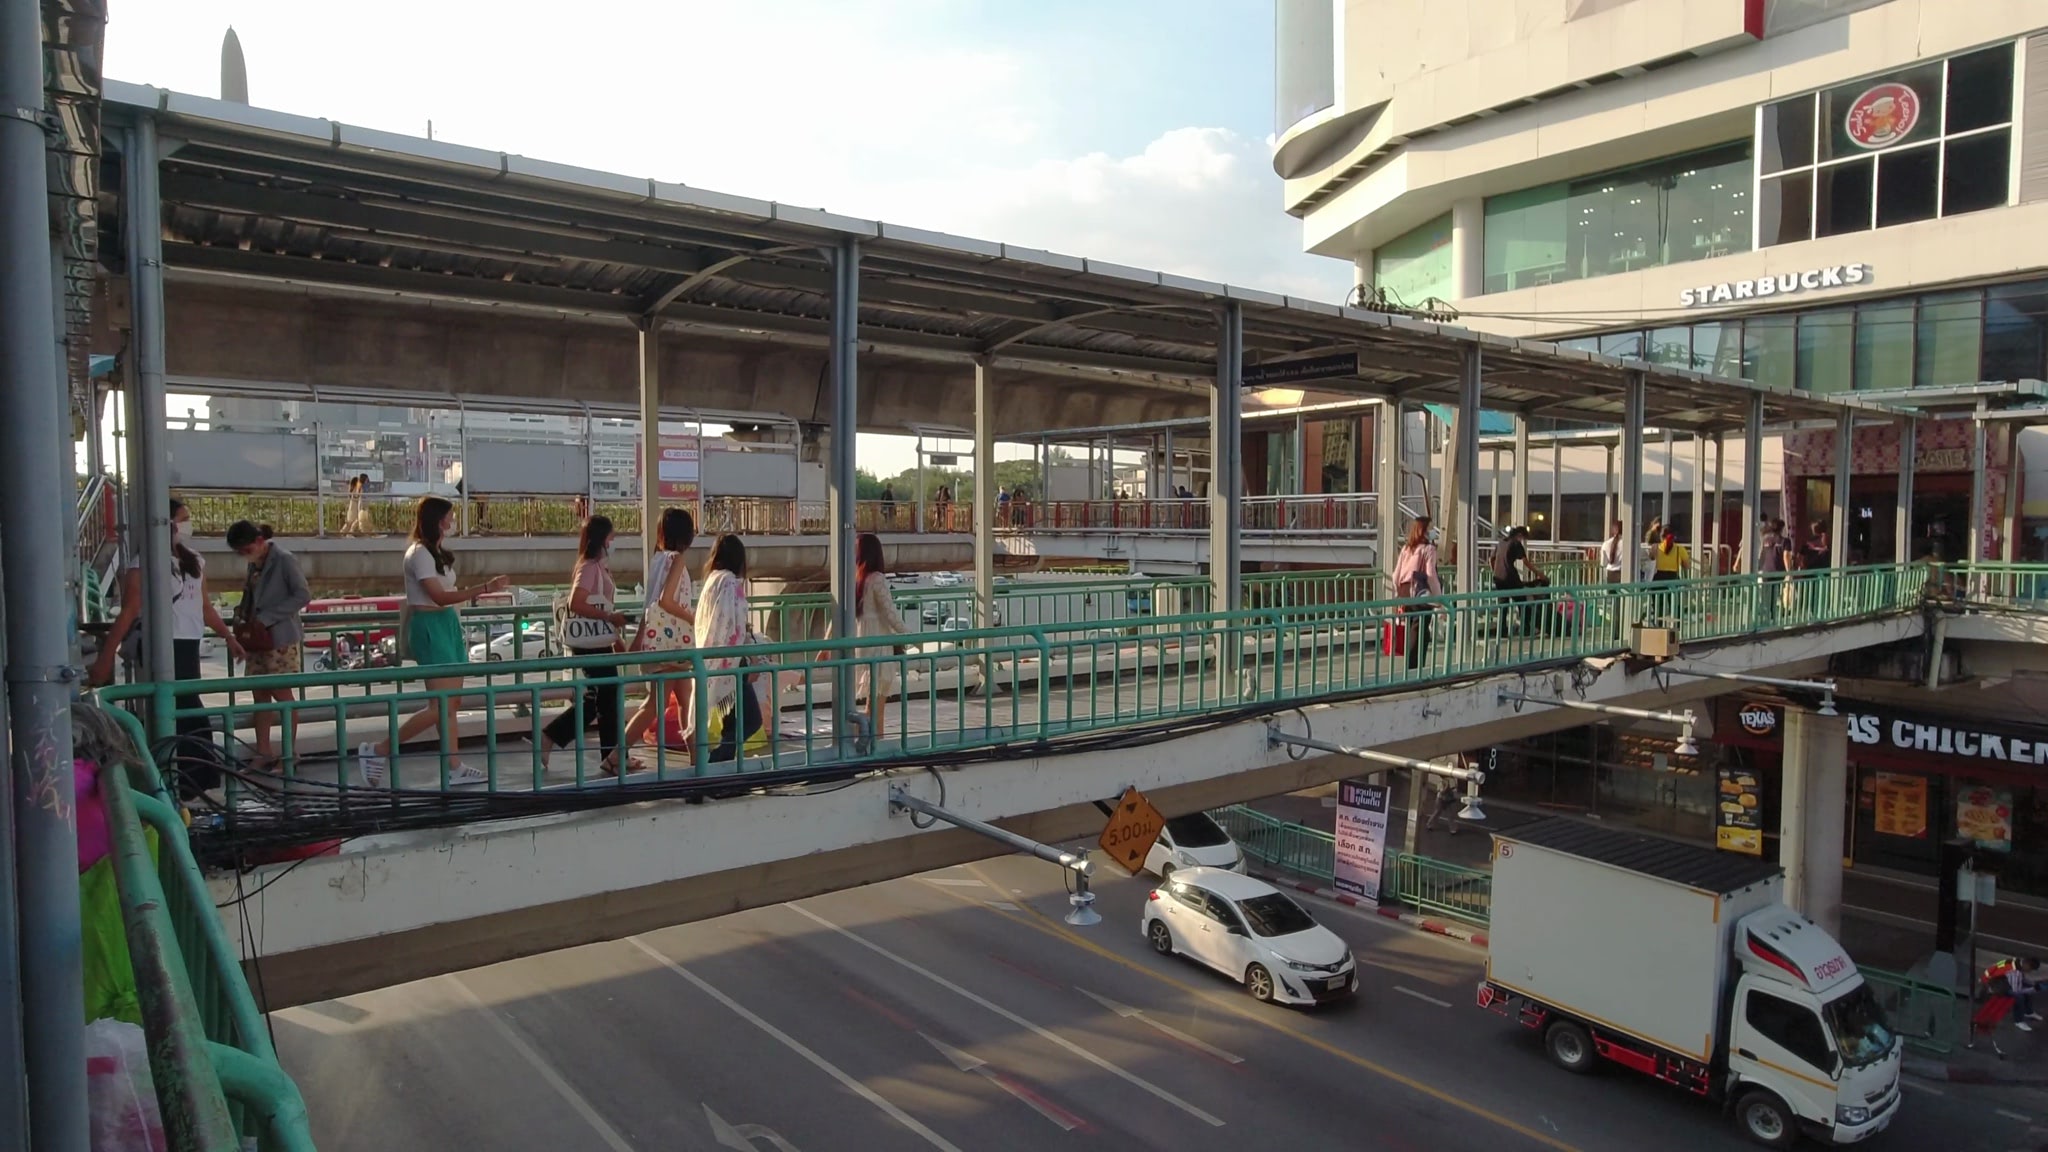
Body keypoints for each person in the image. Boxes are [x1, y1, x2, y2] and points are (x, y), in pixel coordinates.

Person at [90, 499, 245, 795]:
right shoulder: (143, 563)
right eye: (183, 519)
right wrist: (106, 656)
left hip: (187, 642)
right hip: (163, 643)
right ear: (167, 524)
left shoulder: (195, 561)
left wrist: (228, 636)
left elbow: (204, 608)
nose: (187, 525)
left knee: (188, 707)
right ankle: (184, 781)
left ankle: (195, 780)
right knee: (182, 708)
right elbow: (130, 611)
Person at [358, 497, 507, 786]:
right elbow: (437, 596)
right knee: (440, 705)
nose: (452, 521)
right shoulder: (419, 554)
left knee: (452, 702)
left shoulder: (435, 552)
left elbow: (444, 596)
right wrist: (485, 588)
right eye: (450, 516)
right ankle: (378, 750)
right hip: (429, 625)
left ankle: (453, 765)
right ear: (439, 520)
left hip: (447, 623)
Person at [539, 515, 635, 776]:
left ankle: (611, 754)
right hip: (591, 643)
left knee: (600, 699)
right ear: (603, 539)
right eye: (611, 536)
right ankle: (612, 757)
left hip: (596, 639)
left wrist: (614, 635)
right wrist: (609, 620)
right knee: (607, 696)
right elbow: (577, 603)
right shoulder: (590, 568)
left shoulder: (598, 566)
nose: (614, 541)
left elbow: (601, 604)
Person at [225, 519, 312, 771]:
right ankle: (263, 752)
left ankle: (288, 754)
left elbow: (302, 594)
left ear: (259, 541)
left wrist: (267, 617)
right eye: (240, 553)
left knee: (282, 694)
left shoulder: (284, 560)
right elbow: (249, 595)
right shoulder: (255, 564)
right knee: (259, 694)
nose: (244, 556)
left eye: (246, 550)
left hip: (280, 637)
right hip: (257, 638)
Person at [820, 533, 914, 740]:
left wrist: (826, 646)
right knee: (877, 710)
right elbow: (890, 615)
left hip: (862, 643)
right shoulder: (877, 579)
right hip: (879, 644)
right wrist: (911, 636)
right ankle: (874, 752)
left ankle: (855, 743)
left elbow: (838, 616)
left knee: (869, 708)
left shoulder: (855, 580)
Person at [621, 508, 698, 758]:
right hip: (673, 644)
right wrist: (694, 617)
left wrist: (639, 638)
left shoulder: (658, 560)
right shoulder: (677, 560)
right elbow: (666, 601)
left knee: (686, 701)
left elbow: (651, 605)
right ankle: (616, 755)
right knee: (658, 704)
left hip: (662, 643)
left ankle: (698, 759)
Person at [696, 534, 771, 762]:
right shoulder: (730, 582)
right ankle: (718, 764)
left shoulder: (712, 580)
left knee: (731, 722)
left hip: (713, 663)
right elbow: (736, 626)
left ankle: (721, 769)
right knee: (749, 721)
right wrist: (750, 660)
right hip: (732, 664)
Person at [1391, 516, 1441, 671]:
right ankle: (1415, 667)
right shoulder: (1428, 549)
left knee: (1411, 627)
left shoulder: (1407, 548)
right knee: (1420, 630)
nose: (1433, 531)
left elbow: (1395, 575)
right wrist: (1438, 598)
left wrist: (1398, 593)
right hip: (1420, 592)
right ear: (1424, 531)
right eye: (1430, 528)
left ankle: (1410, 666)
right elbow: (1430, 574)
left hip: (1405, 591)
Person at [1599, 519, 1625, 584]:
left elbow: (1603, 563)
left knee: (1611, 593)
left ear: (1613, 530)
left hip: (1610, 573)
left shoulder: (1606, 544)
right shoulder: (1628, 544)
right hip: (1623, 573)